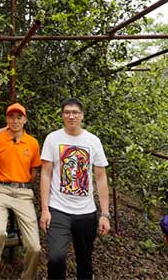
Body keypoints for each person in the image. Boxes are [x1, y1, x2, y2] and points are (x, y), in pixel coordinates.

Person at [40, 97, 110, 280]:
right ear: (62, 115)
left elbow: (101, 178)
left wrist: (105, 213)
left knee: (85, 262)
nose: (71, 116)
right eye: (67, 112)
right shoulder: (52, 139)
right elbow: (45, 174)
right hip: (58, 209)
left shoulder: (93, 141)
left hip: (86, 212)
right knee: (55, 258)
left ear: (82, 115)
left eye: (75, 112)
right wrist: (45, 209)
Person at [0, 103, 42, 280]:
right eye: (11, 117)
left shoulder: (32, 143)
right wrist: (3, 182)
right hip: (1, 190)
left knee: (34, 247)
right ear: (7, 119)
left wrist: (21, 183)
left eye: (19, 117)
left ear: (25, 120)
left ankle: (27, 277)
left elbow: (34, 172)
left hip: (23, 193)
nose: (15, 120)